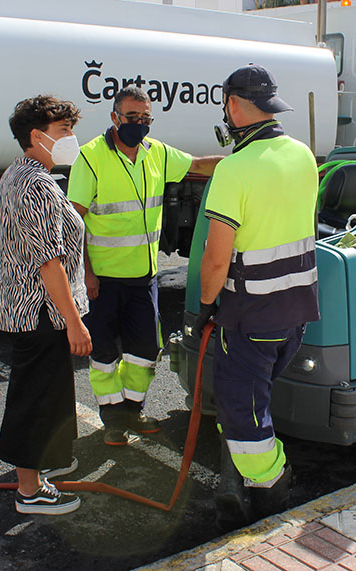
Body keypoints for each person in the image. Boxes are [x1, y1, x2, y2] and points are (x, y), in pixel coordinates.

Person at [195, 64, 320, 525]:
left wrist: (204, 308)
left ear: (231, 106)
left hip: (250, 318)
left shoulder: (234, 169)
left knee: (242, 413)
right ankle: (253, 474)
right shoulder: (304, 154)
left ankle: (272, 487)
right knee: (257, 398)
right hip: (297, 313)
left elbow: (214, 261)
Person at [67, 85, 222, 446]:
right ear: (114, 118)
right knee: (104, 354)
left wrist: (243, 159)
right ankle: (113, 421)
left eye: (144, 118)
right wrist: (86, 273)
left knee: (144, 351)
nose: (138, 124)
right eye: (131, 117)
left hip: (143, 278)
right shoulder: (90, 159)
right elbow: (73, 224)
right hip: (102, 280)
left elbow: (199, 165)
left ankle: (133, 410)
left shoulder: (157, 154)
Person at [0, 95, 92, 515]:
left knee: (43, 394)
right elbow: (48, 262)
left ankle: (38, 476)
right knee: (33, 398)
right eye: (64, 130)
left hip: (32, 307)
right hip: (39, 312)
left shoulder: (24, 174)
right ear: (37, 136)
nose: (72, 137)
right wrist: (74, 322)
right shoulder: (34, 185)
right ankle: (29, 492)